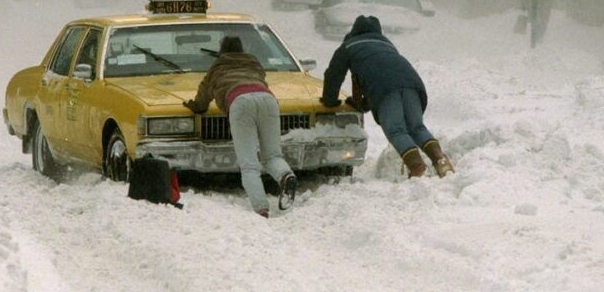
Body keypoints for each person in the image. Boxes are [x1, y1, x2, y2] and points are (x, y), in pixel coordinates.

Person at [320, 15, 454, 178]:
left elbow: (334, 75)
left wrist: (329, 100)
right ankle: (441, 161)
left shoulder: (348, 46)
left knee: (396, 131)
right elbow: (381, 72)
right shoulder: (387, 44)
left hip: (385, 89)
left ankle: (418, 167)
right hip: (413, 84)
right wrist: (363, 103)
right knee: (417, 127)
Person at [183, 36, 296, 217]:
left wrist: (196, 107)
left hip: (239, 102)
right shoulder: (254, 62)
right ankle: (285, 176)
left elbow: (204, 95)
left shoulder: (218, 66)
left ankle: (261, 209)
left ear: (222, 50)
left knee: (249, 163)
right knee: (272, 155)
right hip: (268, 99)